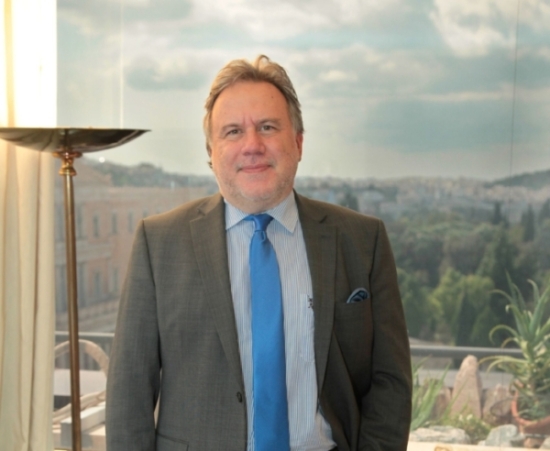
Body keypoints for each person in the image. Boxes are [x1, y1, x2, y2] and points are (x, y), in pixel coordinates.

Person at [106, 55, 412, 451]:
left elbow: (390, 382)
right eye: (233, 131)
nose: (252, 145)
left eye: (268, 127)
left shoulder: (362, 240)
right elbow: (129, 394)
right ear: (211, 152)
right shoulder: (159, 243)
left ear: (298, 142)